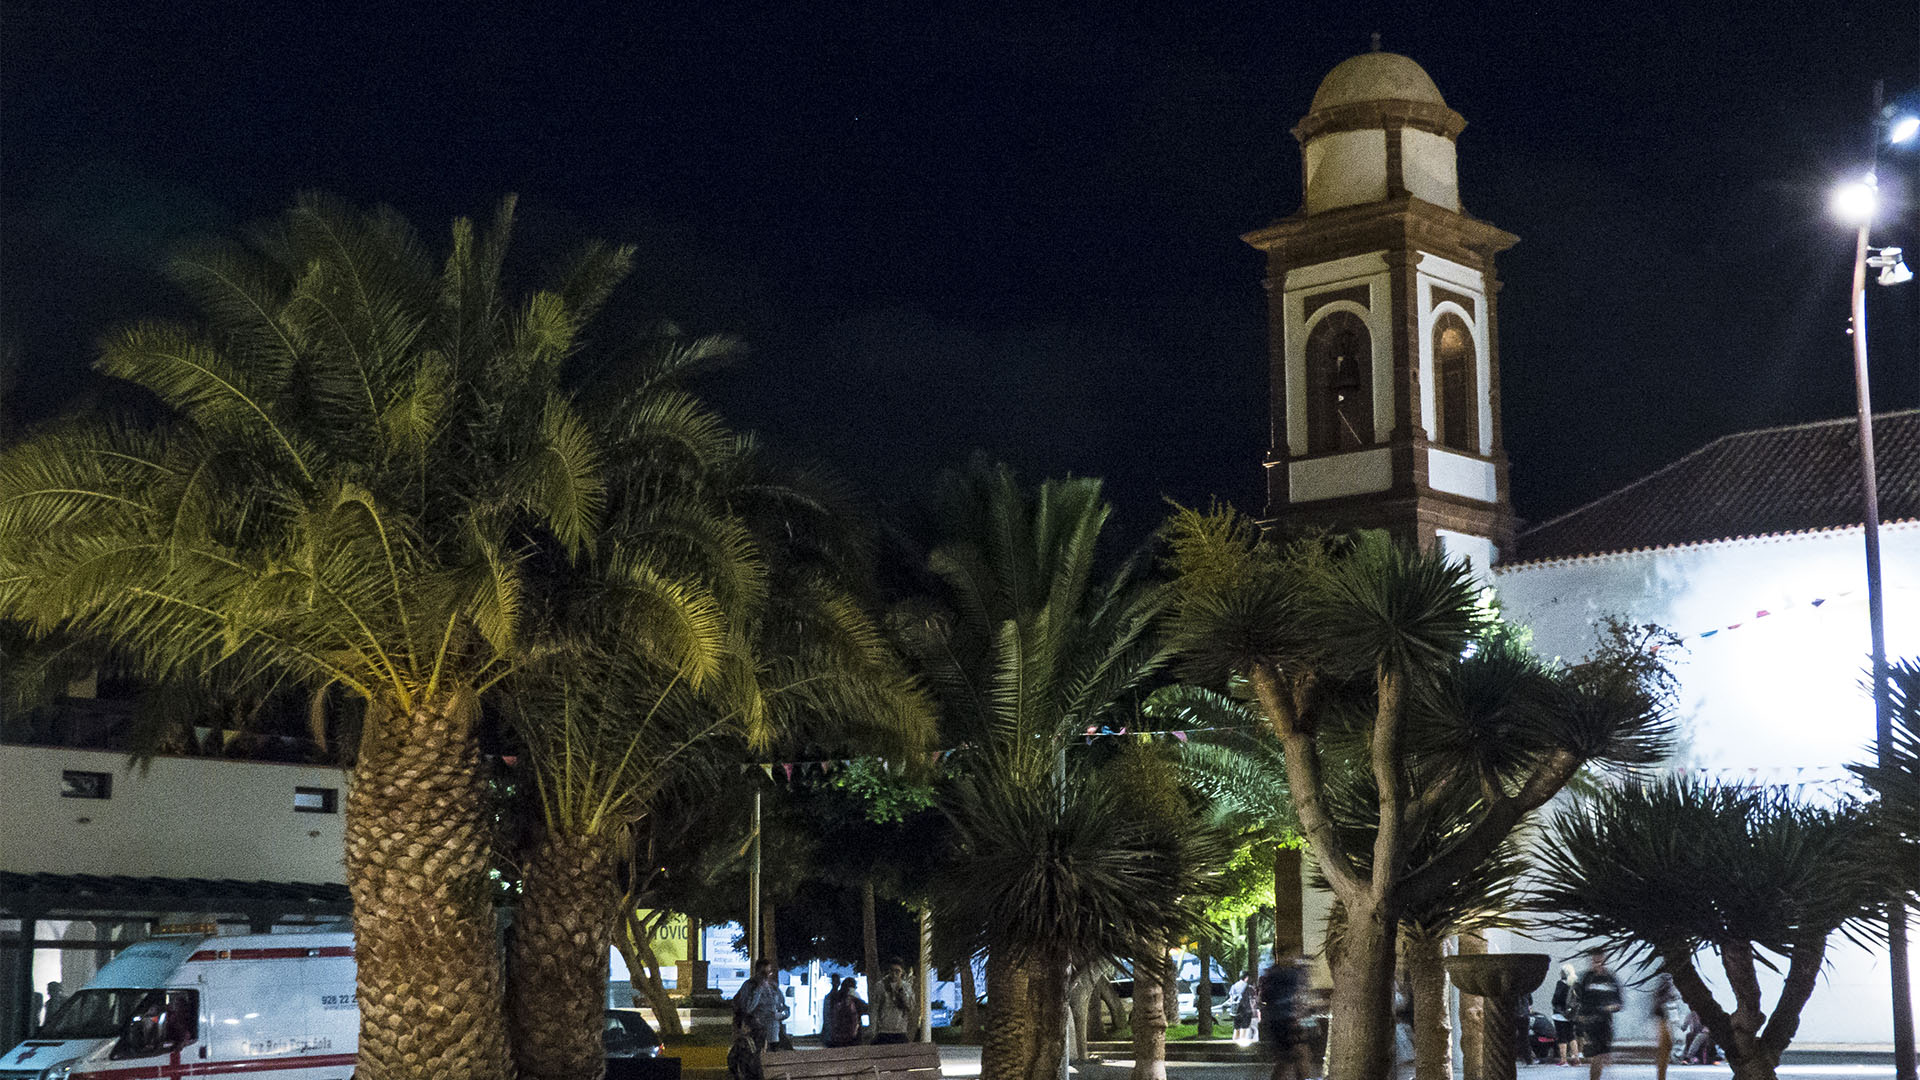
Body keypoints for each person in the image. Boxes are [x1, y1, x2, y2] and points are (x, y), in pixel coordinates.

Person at [1574, 950, 1622, 1080]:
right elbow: (1576, 1000)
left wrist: (1612, 1007)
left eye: (1601, 961)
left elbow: (1619, 1001)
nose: (1598, 965)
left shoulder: (1611, 979)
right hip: (1590, 1022)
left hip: (1605, 1021)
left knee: (1603, 1055)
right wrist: (1580, 1017)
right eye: (1595, 962)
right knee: (1597, 1054)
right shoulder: (1585, 979)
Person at [1259, 958, 1304, 1080]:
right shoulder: (1288, 976)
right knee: (1291, 1057)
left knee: (1290, 1057)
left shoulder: (1273, 975)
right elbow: (1294, 999)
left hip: (1277, 1020)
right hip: (1285, 1020)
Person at [732, 959, 789, 1053]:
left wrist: (781, 1015)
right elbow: (747, 1008)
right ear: (757, 972)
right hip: (756, 1030)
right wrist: (758, 989)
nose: (766, 976)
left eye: (769, 972)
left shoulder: (773, 988)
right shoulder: (749, 986)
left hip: (774, 1031)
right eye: (763, 973)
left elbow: (784, 1007)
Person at [872, 958, 915, 1044]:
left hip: (900, 1030)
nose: (894, 974)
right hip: (884, 1030)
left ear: (902, 972)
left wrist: (901, 992)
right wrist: (873, 1029)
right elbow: (874, 1008)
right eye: (891, 970)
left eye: (897, 971)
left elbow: (910, 1006)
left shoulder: (906, 987)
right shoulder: (880, 986)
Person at [1550, 963, 1581, 1065]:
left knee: (1561, 1036)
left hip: (1559, 1014)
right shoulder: (1574, 983)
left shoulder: (1560, 983)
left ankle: (1563, 1060)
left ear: (1563, 973)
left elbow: (1556, 999)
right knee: (1571, 1035)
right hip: (1570, 1014)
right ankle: (1576, 1059)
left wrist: (1554, 1005)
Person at [823, 977, 867, 1048]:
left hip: (836, 1036)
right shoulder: (854, 997)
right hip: (852, 1035)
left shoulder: (835, 997)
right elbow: (865, 1009)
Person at [1650, 973, 1678, 1080]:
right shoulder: (1663, 992)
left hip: (1666, 1020)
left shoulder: (1663, 992)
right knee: (1665, 1048)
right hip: (1663, 1020)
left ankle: (1662, 1075)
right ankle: (1661, 1076)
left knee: (1666, 1047)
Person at [1227, 970, 1257, 1042]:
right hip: (1246, 1010)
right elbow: (1252, 1000)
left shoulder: (1234, 986)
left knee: (1236, 1028)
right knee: (1244, 1029)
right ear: (1246, 978)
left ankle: (1234, 1045)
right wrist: (1254, 1010)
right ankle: (1241, 1047)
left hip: (1236, 1010)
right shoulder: (1249, 987)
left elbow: (1231, 999)